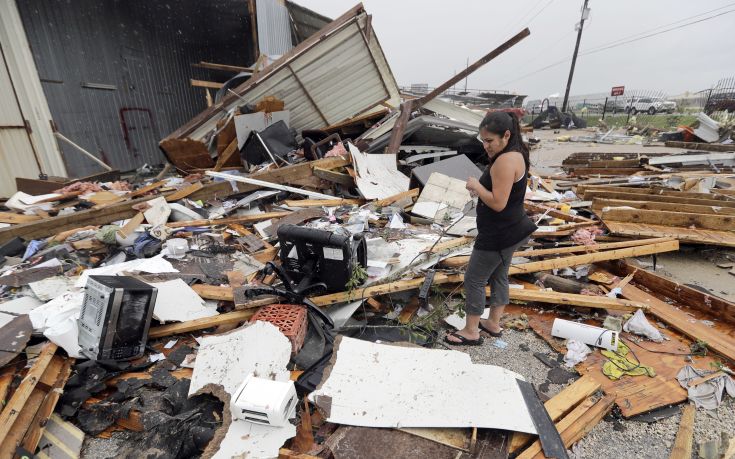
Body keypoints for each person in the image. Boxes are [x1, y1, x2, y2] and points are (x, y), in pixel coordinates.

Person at [445, 112, 537, 346]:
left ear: (506, 135)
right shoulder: (516, 153)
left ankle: (471, 331)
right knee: (499, 275)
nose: (485, 146)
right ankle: (493, 323)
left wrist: (477, 185)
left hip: (499, 234)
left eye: (489, 141)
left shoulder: (505, 161)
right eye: (482, 140)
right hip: (513, 229)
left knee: (474, 279)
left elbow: (498, 203)